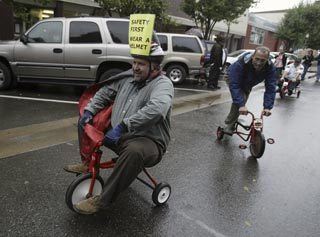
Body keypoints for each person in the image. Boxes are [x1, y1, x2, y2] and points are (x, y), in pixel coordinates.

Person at [64, 36, 174, 214]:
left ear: (154, 66)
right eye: (134, 62)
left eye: (141, 64)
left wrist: (124, 125)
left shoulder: (163, 84)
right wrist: (90, 111)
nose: (135, 67)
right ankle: (87, 163)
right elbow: (104, 93)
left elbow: (158, 108)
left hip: (148, 141)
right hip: (118, 135)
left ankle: (102, 200)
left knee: (134, 152)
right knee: (86, 121)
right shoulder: (128, 78)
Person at [223, 46, 276, 134]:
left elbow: (271, 87)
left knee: (242, 102)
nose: (259, 63)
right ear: (252, 57)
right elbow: (235, 85)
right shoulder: (241, 64)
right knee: (241, 100)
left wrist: (267, 107)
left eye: (262, 60)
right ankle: (229, 124)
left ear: (267, 59)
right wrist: (241, 105)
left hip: (249, 82)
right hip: (232, 78)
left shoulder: (270, 68)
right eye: (257, 59)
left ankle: (234, 118)